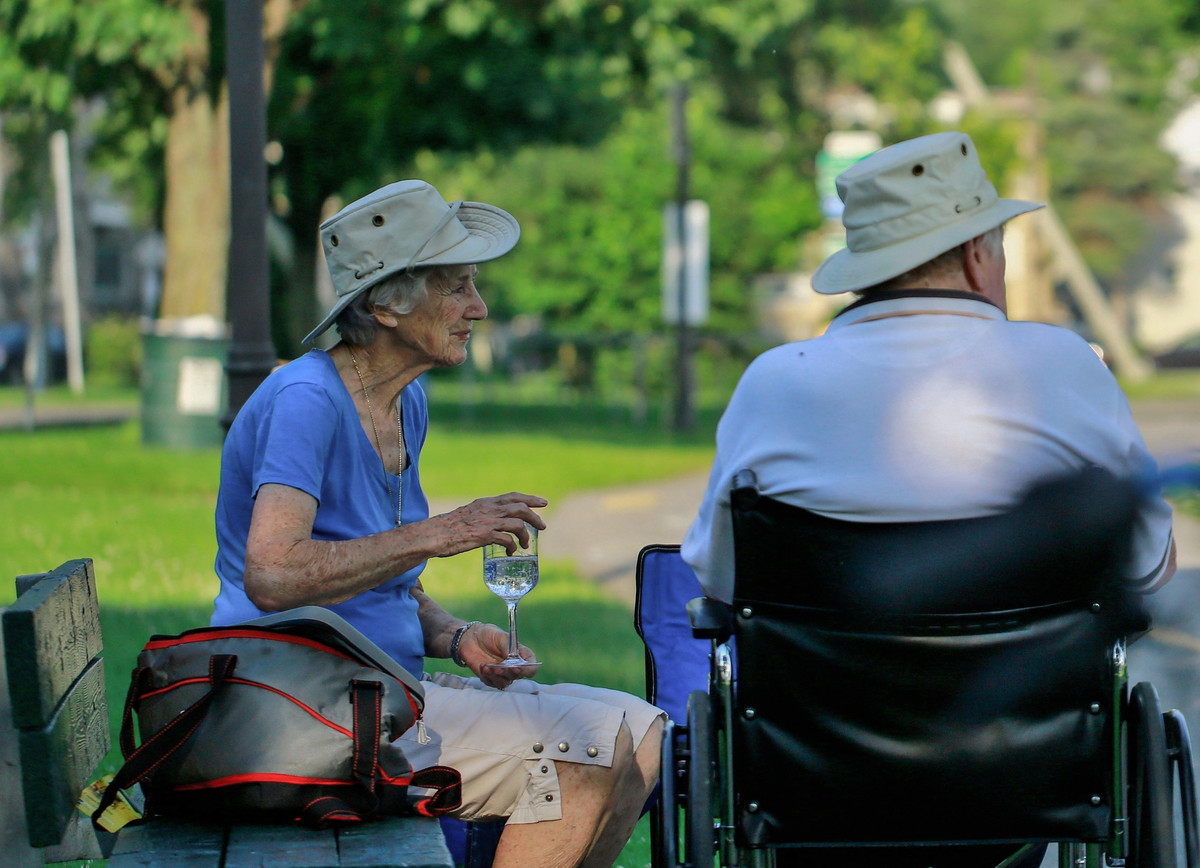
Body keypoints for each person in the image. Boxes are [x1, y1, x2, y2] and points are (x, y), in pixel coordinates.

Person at [211, 179, 663, 867]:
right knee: (591, 749)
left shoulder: (404, 401)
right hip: (300, 706)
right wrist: (440, 533)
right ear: (388, 305)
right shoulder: (307, 401)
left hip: (376, 692)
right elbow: (273, 575)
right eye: (456, 287)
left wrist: (453, 636)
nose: (477, 309)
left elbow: (374, 576)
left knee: (647, 731)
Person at [683, 128, 1176, 607]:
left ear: (863, 270)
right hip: (1038, 688)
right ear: (977, 255)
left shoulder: (772, 381)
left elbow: (721, 582)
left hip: (816, 688)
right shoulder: (1065, 362)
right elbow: (1148, 566)